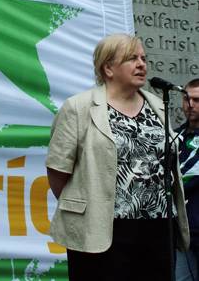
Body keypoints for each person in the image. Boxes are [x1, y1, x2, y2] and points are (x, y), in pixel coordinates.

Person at [46, 33, 189, 281]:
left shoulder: (157, 105)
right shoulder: (78, 107)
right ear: (108, 68)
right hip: (102, 228)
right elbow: (58, 171)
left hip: (158, 227)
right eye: (132, 58)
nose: (142, 64)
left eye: (144, 58)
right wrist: (91, 205)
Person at [176, 79, 199, 281]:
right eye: (186, 98)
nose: (190, 105)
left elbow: (186, 177)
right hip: (182, 233)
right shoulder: (174, 137)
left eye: (197, 100)